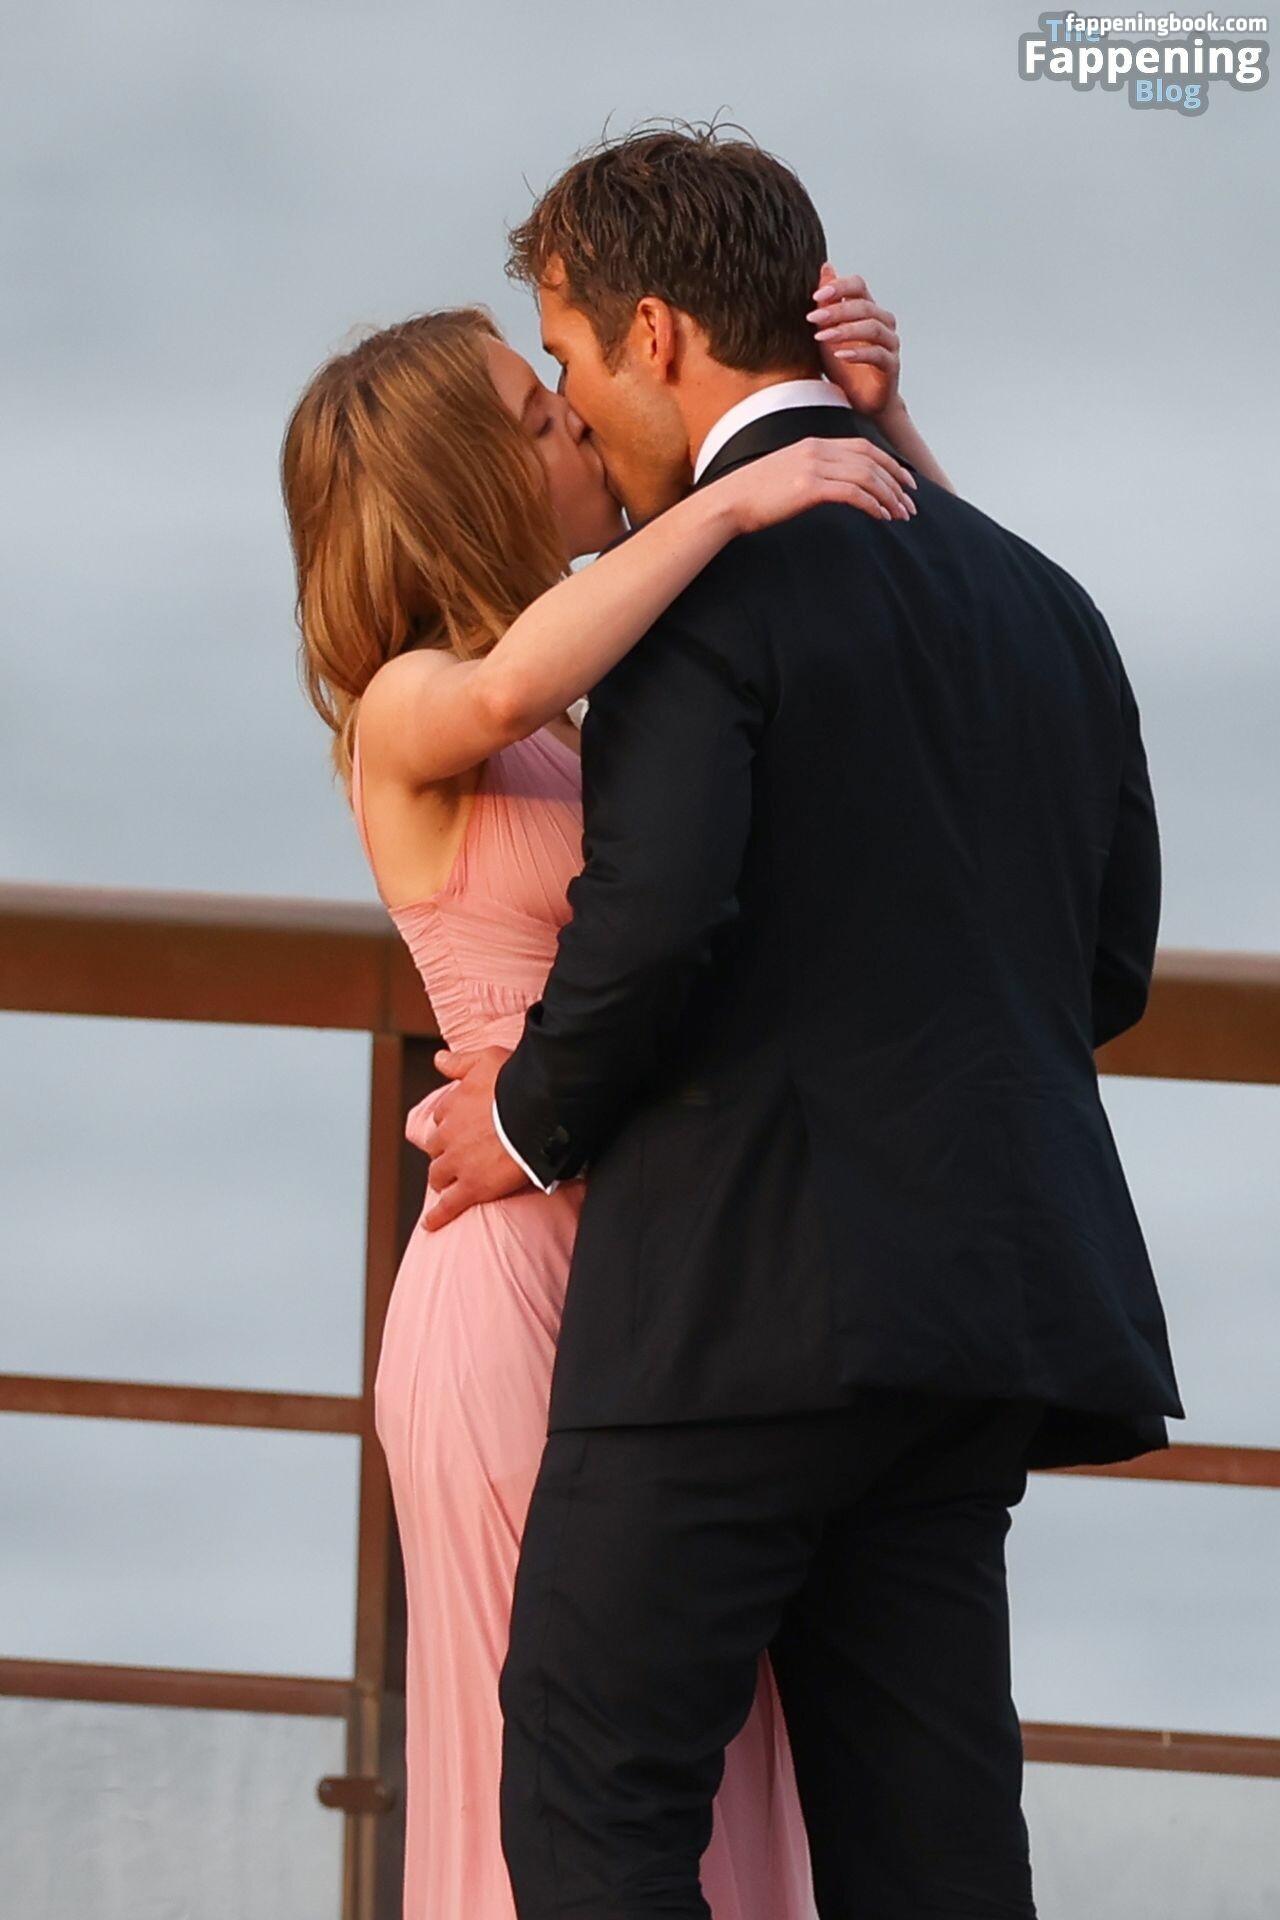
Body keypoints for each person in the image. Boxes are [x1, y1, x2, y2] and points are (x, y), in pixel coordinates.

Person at [424, 125, 1185, 1920]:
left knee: (597, 1805)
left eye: (568, 351)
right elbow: (1106, 966)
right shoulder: (1041, 598)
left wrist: (520, 1119)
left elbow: (656, 925)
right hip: (977, 1315)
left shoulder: (696, 585)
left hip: (733, 1315)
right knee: (934, 1848)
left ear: (658, 334)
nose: (568, 398)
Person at [281, 257, 942, 1919]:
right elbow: (502, 686)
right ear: (463, 482)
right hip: (512, 1294)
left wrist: (873, 434)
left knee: (702, 1785)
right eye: (533, 416)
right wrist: (731, 501)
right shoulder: (410, 710)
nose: (575, 421)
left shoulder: (612, 696)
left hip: (672, 1285)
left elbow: (918, 664)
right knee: (568, 1794)